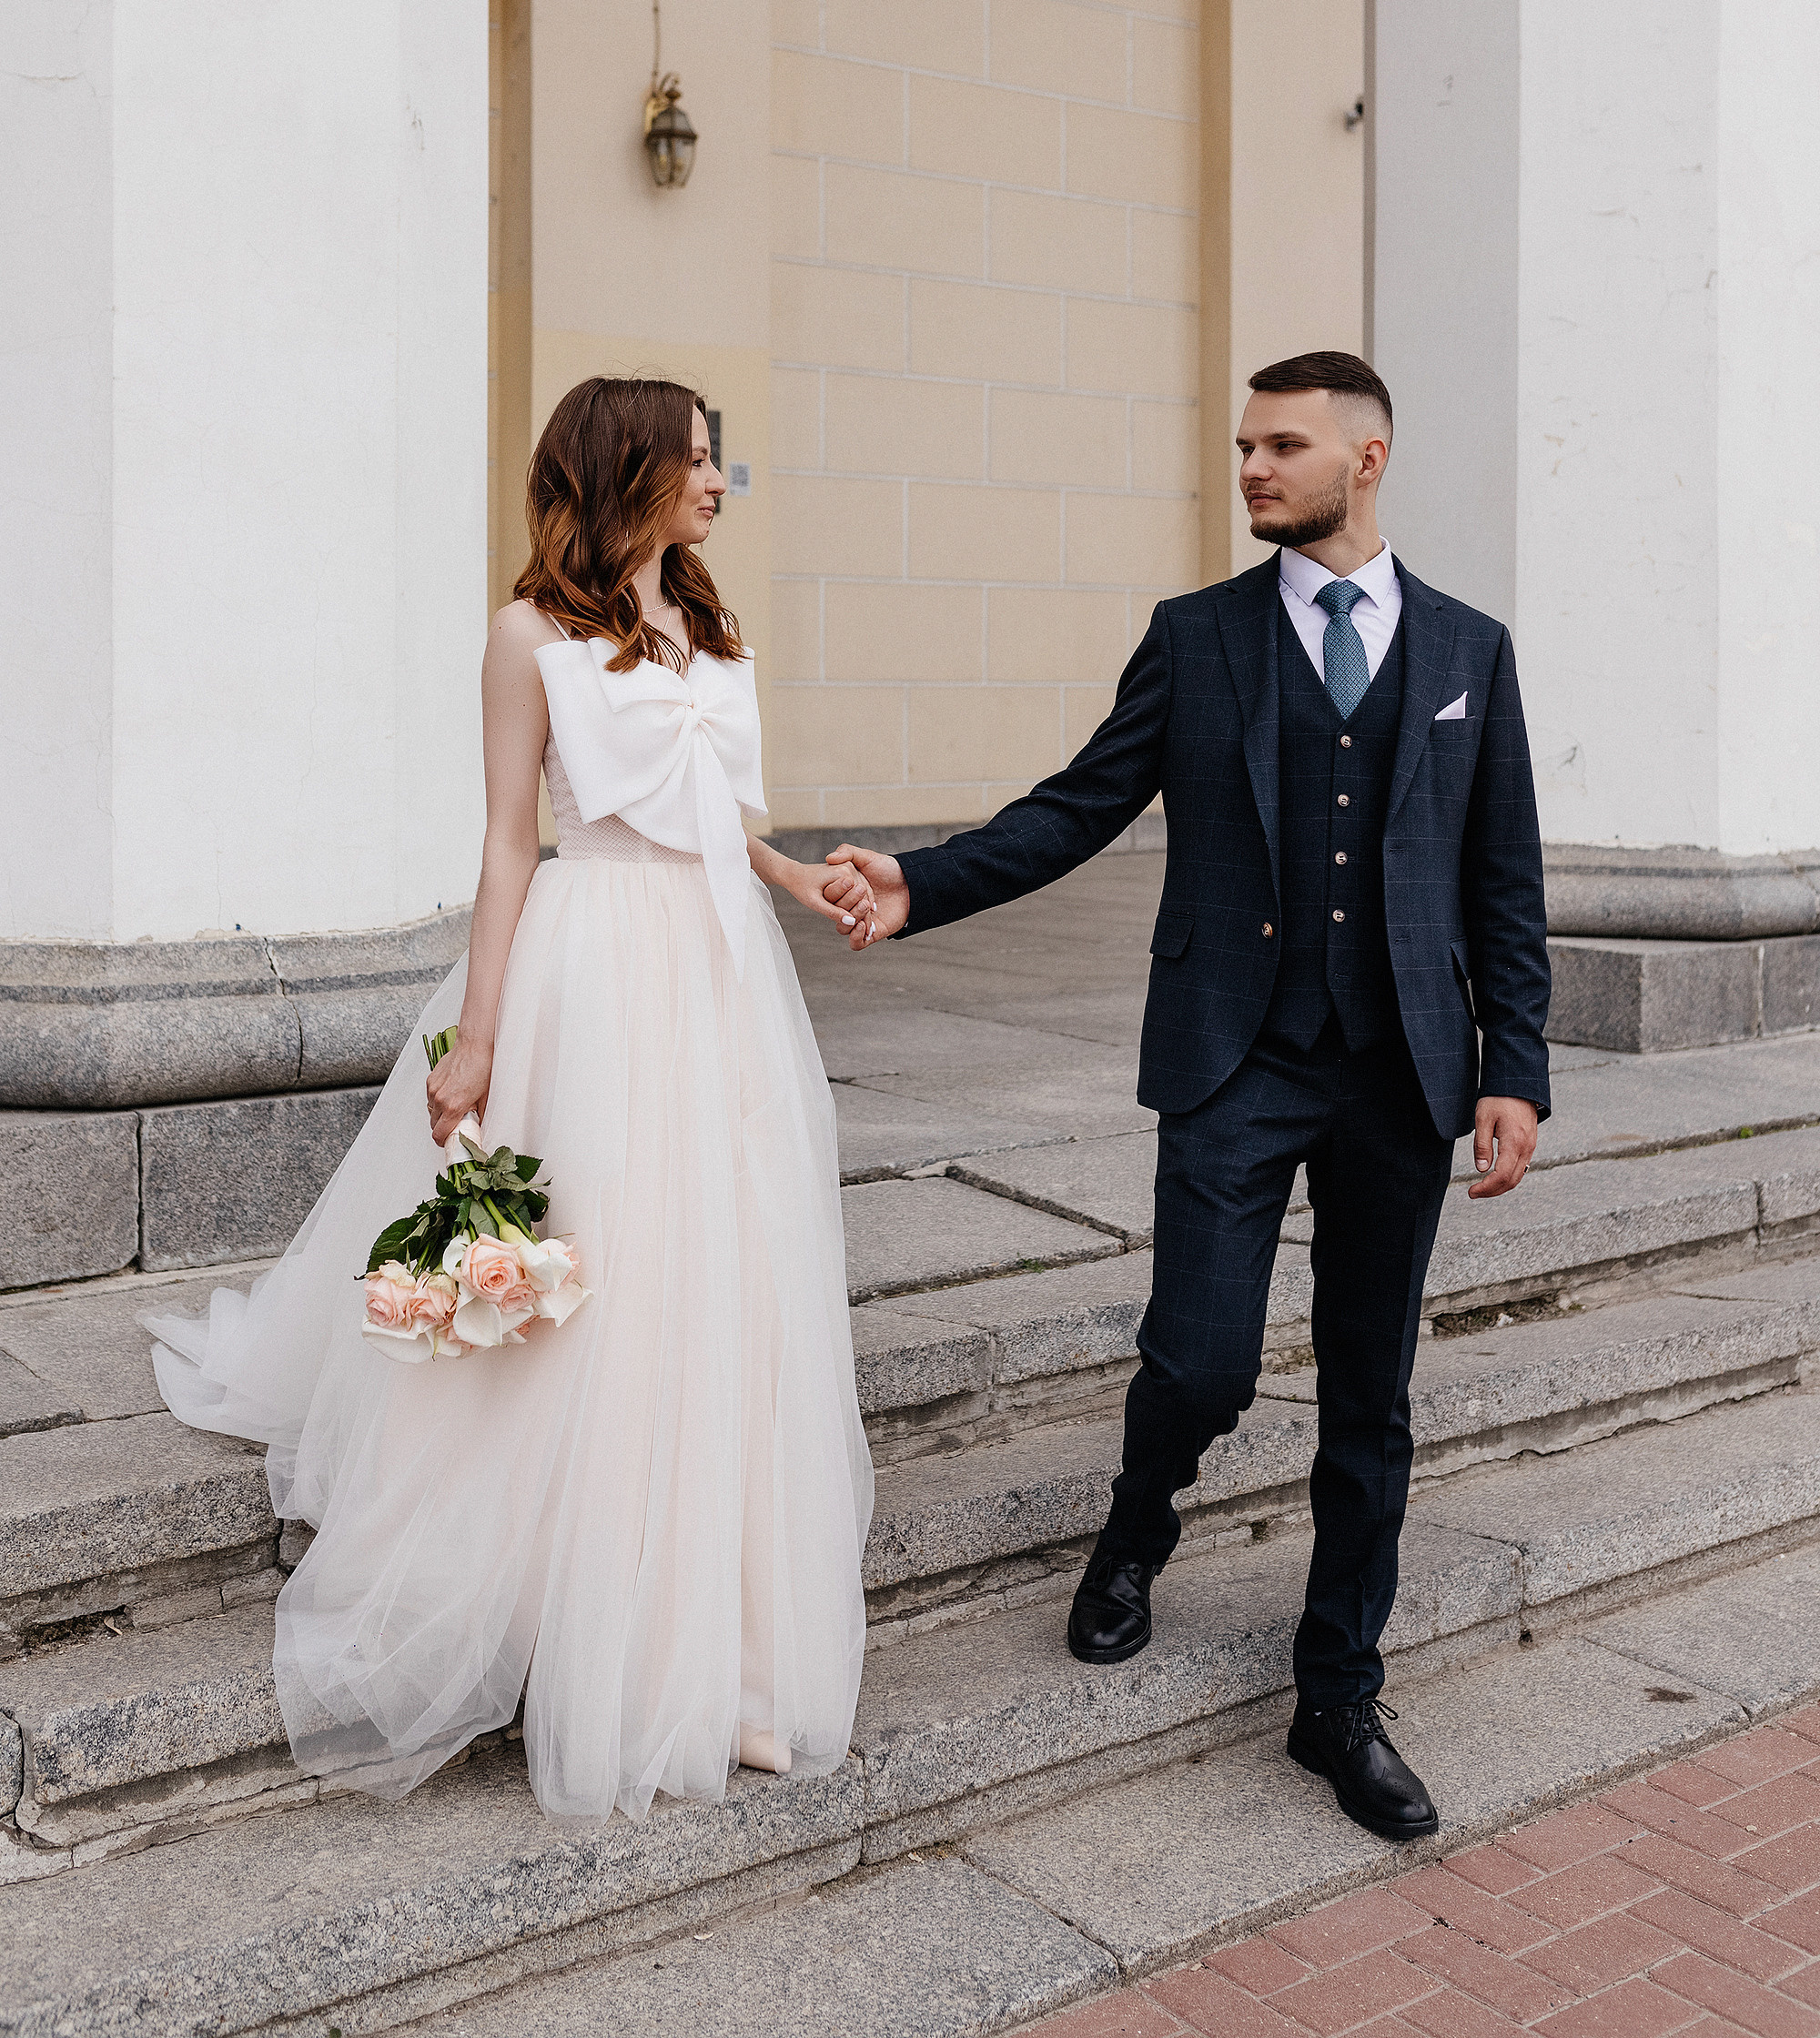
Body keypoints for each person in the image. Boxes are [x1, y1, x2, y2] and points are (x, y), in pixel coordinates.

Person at [830, 350, 1550, 1842]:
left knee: (1372, 1396)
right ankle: (1135, 1529)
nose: (1250, 471)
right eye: (1242, 447)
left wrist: (1515, 1071)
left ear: (1368, 461)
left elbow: (1503, 883)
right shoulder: (1199, 638)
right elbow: (1079, 805)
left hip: (1406, 1073)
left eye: (1280, 446)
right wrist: (921, 885)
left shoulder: (1472, 650)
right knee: (1206, 1361)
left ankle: (1336, 1692)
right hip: (1236, 1057)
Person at [147, 376, 878, 1821]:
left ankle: (720, 1653)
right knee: (602, 1281)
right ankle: (577, 1615)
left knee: (721, 1284)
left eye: (720, 460)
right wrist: (474, 1042)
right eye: (698, 459)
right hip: (598, 974)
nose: (722, 482)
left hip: (724, 977)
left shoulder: (709, 624)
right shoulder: (526, 638)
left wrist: (801, 877)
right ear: (626, 472)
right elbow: (507, 845)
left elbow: (719, 819)